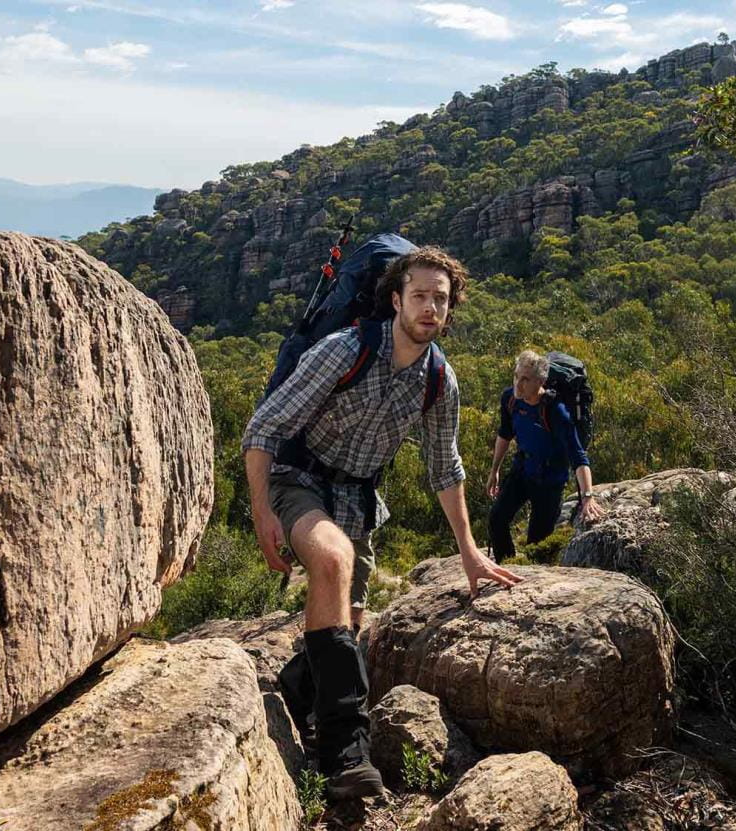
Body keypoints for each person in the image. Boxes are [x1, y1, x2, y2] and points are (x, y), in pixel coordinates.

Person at [242, 245, 520, 800]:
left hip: (357, 500)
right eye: (419, 295)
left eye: (440, 299)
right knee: (333, 560)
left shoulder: (440, 381)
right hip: (298, 479)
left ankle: (289, 698)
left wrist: (468, 549)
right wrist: (262, 509)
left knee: (348, 621)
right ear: (396, 300)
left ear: (450, 309)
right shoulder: (342, 351)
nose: (429, 308)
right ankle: (344, 753)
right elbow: (264, 428)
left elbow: (446, 468)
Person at [486, 350, 602, 559]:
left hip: (549, 482)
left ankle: (531, 577)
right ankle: (507, 568)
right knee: (497, 519)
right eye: (516, 376)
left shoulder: (555, 411)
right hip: (522, 470)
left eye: (525, 379)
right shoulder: (510, 399)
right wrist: (495, 470)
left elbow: (578, 456)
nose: (518, 384)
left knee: (537, 547)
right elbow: (505, 433)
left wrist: (587, 497)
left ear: (540, 381)